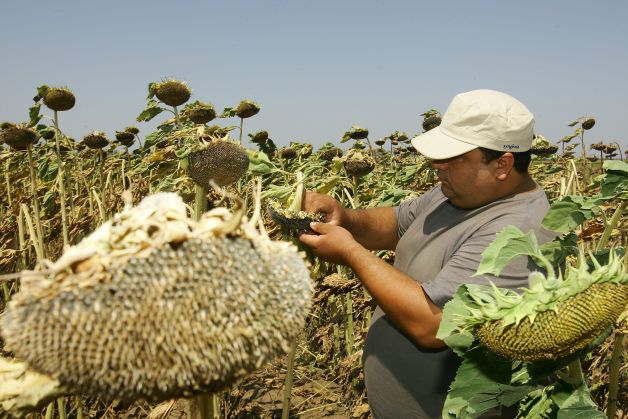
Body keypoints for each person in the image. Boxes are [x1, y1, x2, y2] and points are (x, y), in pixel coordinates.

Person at [299, 89, 557, 419]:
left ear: (502, 165)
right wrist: (345, 217)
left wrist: (351, 253)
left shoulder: (518, 233)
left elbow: (434, 325)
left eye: (454, 157)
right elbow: (396, 223)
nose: (437, 165)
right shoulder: (457, 191)